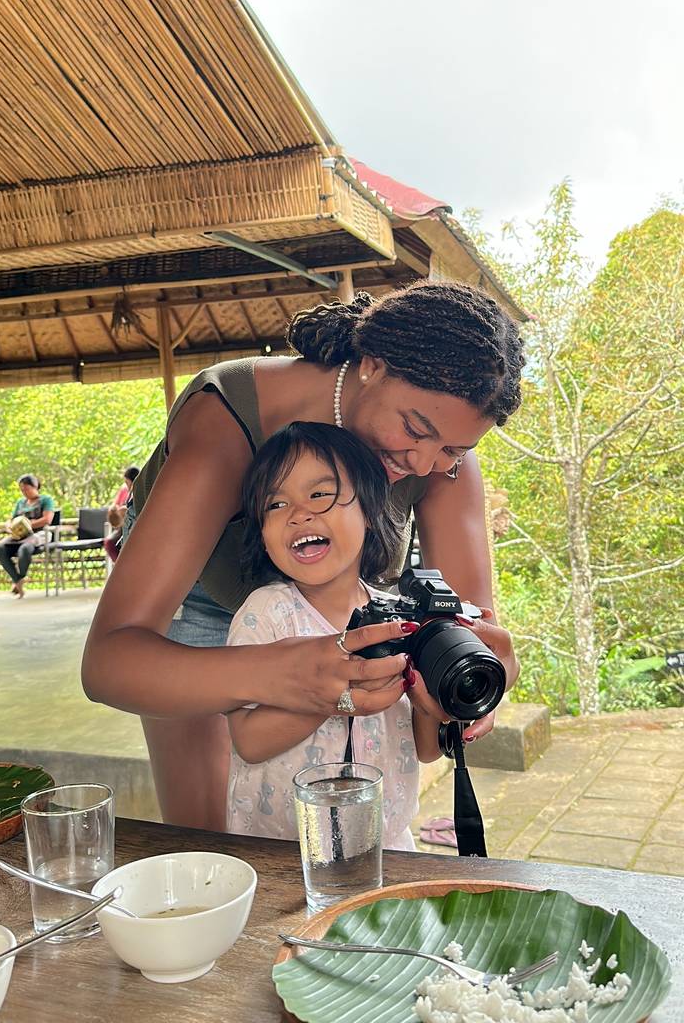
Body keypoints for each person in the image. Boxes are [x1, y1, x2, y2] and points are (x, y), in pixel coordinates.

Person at [82, 280, 524, 831]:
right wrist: (280, 671)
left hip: (329, 605)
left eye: (455, 450)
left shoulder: (438, 455)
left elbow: (467, 622)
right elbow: (109, 665)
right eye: (415, 430)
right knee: (208, 838)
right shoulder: (227, 419)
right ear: (371, 365)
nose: (423, 462)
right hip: (198, 595)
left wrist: (467, 675)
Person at [227, 422, 448, 848]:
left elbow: (425, 749)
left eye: (320, 494)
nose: (299, 513)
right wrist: (338, 694)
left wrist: (432, 705)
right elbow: (249, 741)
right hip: (286, 848)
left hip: (385, 842)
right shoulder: (265, 616)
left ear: (368, 509)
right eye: (275, 504)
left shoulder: (396, 617)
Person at [0, 474, 56, 598]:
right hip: (19, 535)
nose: (24, 492)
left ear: (35, 486)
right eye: (22, 490)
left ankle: (19, 580)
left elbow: (47, 519)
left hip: (39, 533)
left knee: (24, 549)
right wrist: (9, 526)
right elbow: (12, 519)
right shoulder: (20, 503)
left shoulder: (46, 499)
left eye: (26, 489)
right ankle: (18, 580)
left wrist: (29, 524)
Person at [104, 465, 140, 565]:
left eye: (127, 482)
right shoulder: (127, 492)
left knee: (112, 543)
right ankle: (121, 565)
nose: (126, 485)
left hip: (133, 526)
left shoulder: (138, 492)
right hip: (125, 525)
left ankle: (122, 565)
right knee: (110, 542)